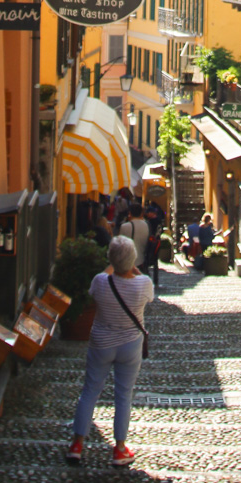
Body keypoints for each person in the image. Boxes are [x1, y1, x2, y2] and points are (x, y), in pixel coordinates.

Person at [65, 235, 153, 468]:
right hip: (130, 344)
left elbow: (101, 281)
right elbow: (146, 288)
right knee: (123, 395)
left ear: (111, 259)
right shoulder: (143, 284)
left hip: (101, 342)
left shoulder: (100, 281)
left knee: (90, 391)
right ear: (133, 259)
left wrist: (114, 264)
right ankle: (120, 449)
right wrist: (131, 268)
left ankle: (77, 445)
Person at [117, 200, 150, 270]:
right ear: (141, 213)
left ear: (130, 213)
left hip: (128, 262)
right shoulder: (147, 225)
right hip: (142, 260)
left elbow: (120, 244)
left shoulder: (124, 226)